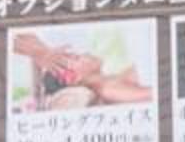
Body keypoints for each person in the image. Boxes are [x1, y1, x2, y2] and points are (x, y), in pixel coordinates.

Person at [10, 31, 152, 111]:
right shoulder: (108, 90)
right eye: (76, 57)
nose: (83, 53)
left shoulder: (115, 77)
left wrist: (40, 52)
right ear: (72, 77)